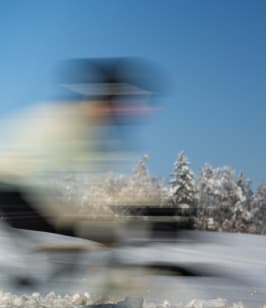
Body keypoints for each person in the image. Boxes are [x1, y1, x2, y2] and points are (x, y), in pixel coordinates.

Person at [0, 58, 161, 285]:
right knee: (76, 233)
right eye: (115, 105)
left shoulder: (77, 119)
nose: (117, 114)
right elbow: (95, 178)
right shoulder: (73, 123)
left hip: (18, 187)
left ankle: (48, 284)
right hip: (11, 187)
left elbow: (96, 174)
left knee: (79, 235)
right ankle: (50, 291)